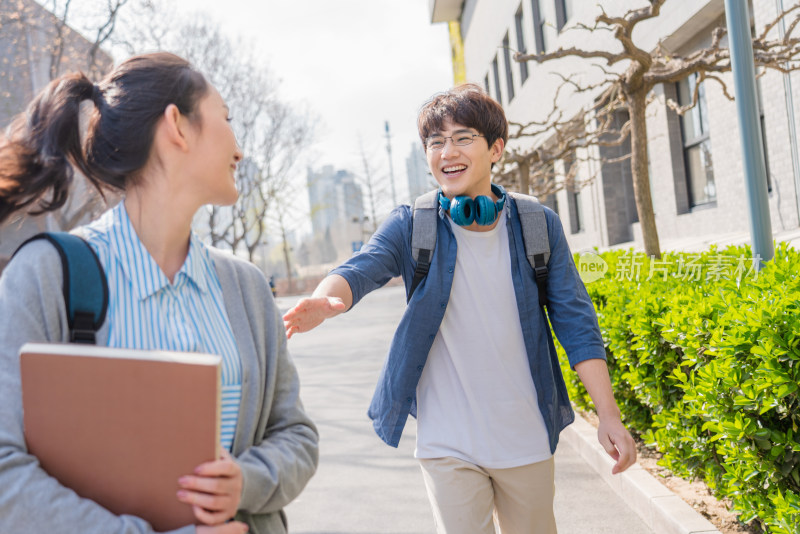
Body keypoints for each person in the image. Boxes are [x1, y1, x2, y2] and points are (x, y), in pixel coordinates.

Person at [282, 83, 636, 534]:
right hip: (446, 443)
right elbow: (362, 266)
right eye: (435, 142)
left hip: (525, 436)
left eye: (463, 137)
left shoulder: (536, 224)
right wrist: (327, 298)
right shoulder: (414, 224)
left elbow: (576, 321)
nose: (446, 151)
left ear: (496, 149)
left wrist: (609, 415)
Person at [0, 52, 318, 534]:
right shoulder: (46, 275)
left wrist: (245, 481)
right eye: (227, 120)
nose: (240, 149)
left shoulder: (247, 288)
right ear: (178, 126)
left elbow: (294, 433)